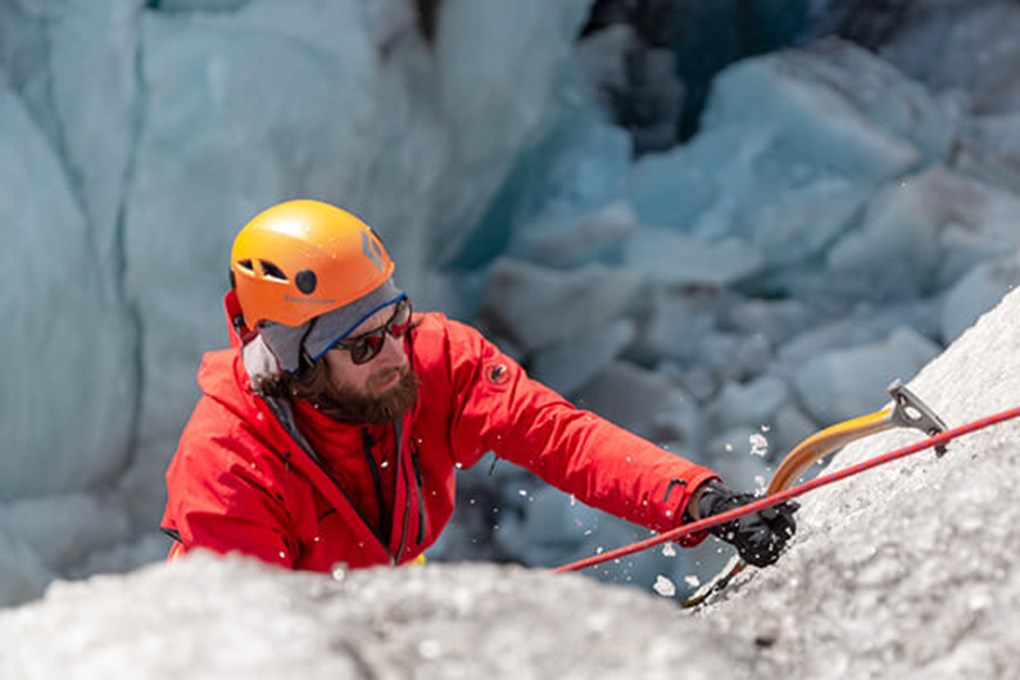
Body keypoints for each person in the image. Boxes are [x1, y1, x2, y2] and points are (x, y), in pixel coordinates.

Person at [161, 199, 798, 572]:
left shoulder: (434, 357)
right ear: (295, 363)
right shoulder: (228, 465)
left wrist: (695, 499)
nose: (394, 354)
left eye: (394, 321)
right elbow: (250, 638)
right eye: (361, 344)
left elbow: (560, 438)